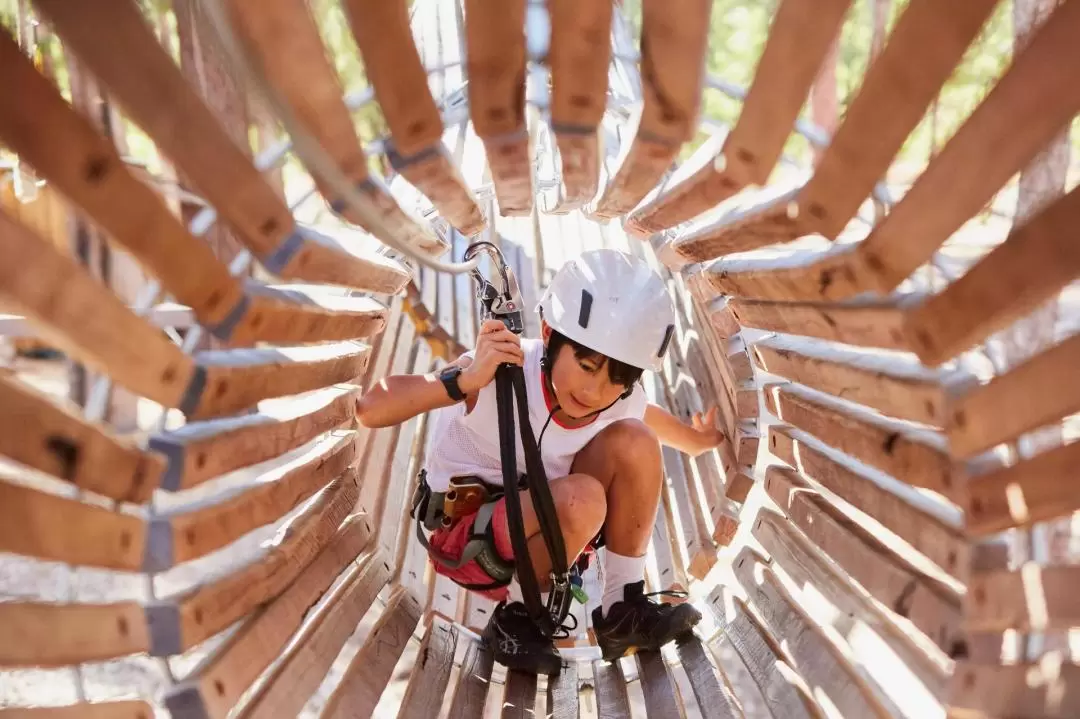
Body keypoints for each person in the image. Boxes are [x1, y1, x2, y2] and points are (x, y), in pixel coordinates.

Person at [356, 248, 726, 674]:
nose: (595, 390)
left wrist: (700, 439)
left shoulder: (621, 401)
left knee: (636, 440)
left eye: (618, 379)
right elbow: (371, 409)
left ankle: (623, 611)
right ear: (548, 334)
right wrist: (466, 379)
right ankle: (517, 621)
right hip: (467, 542)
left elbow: (657, 429)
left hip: (548, 539)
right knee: (582, 497)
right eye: (586, 366)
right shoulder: (501, 371)